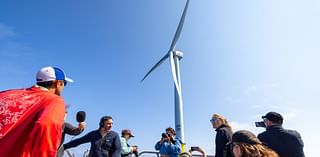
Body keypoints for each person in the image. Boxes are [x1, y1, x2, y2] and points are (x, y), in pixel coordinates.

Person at [0, 66, 73, 157]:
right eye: (64, 84)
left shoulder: (6, 94)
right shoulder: (54, 101)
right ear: (58, 83)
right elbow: (47, 125)